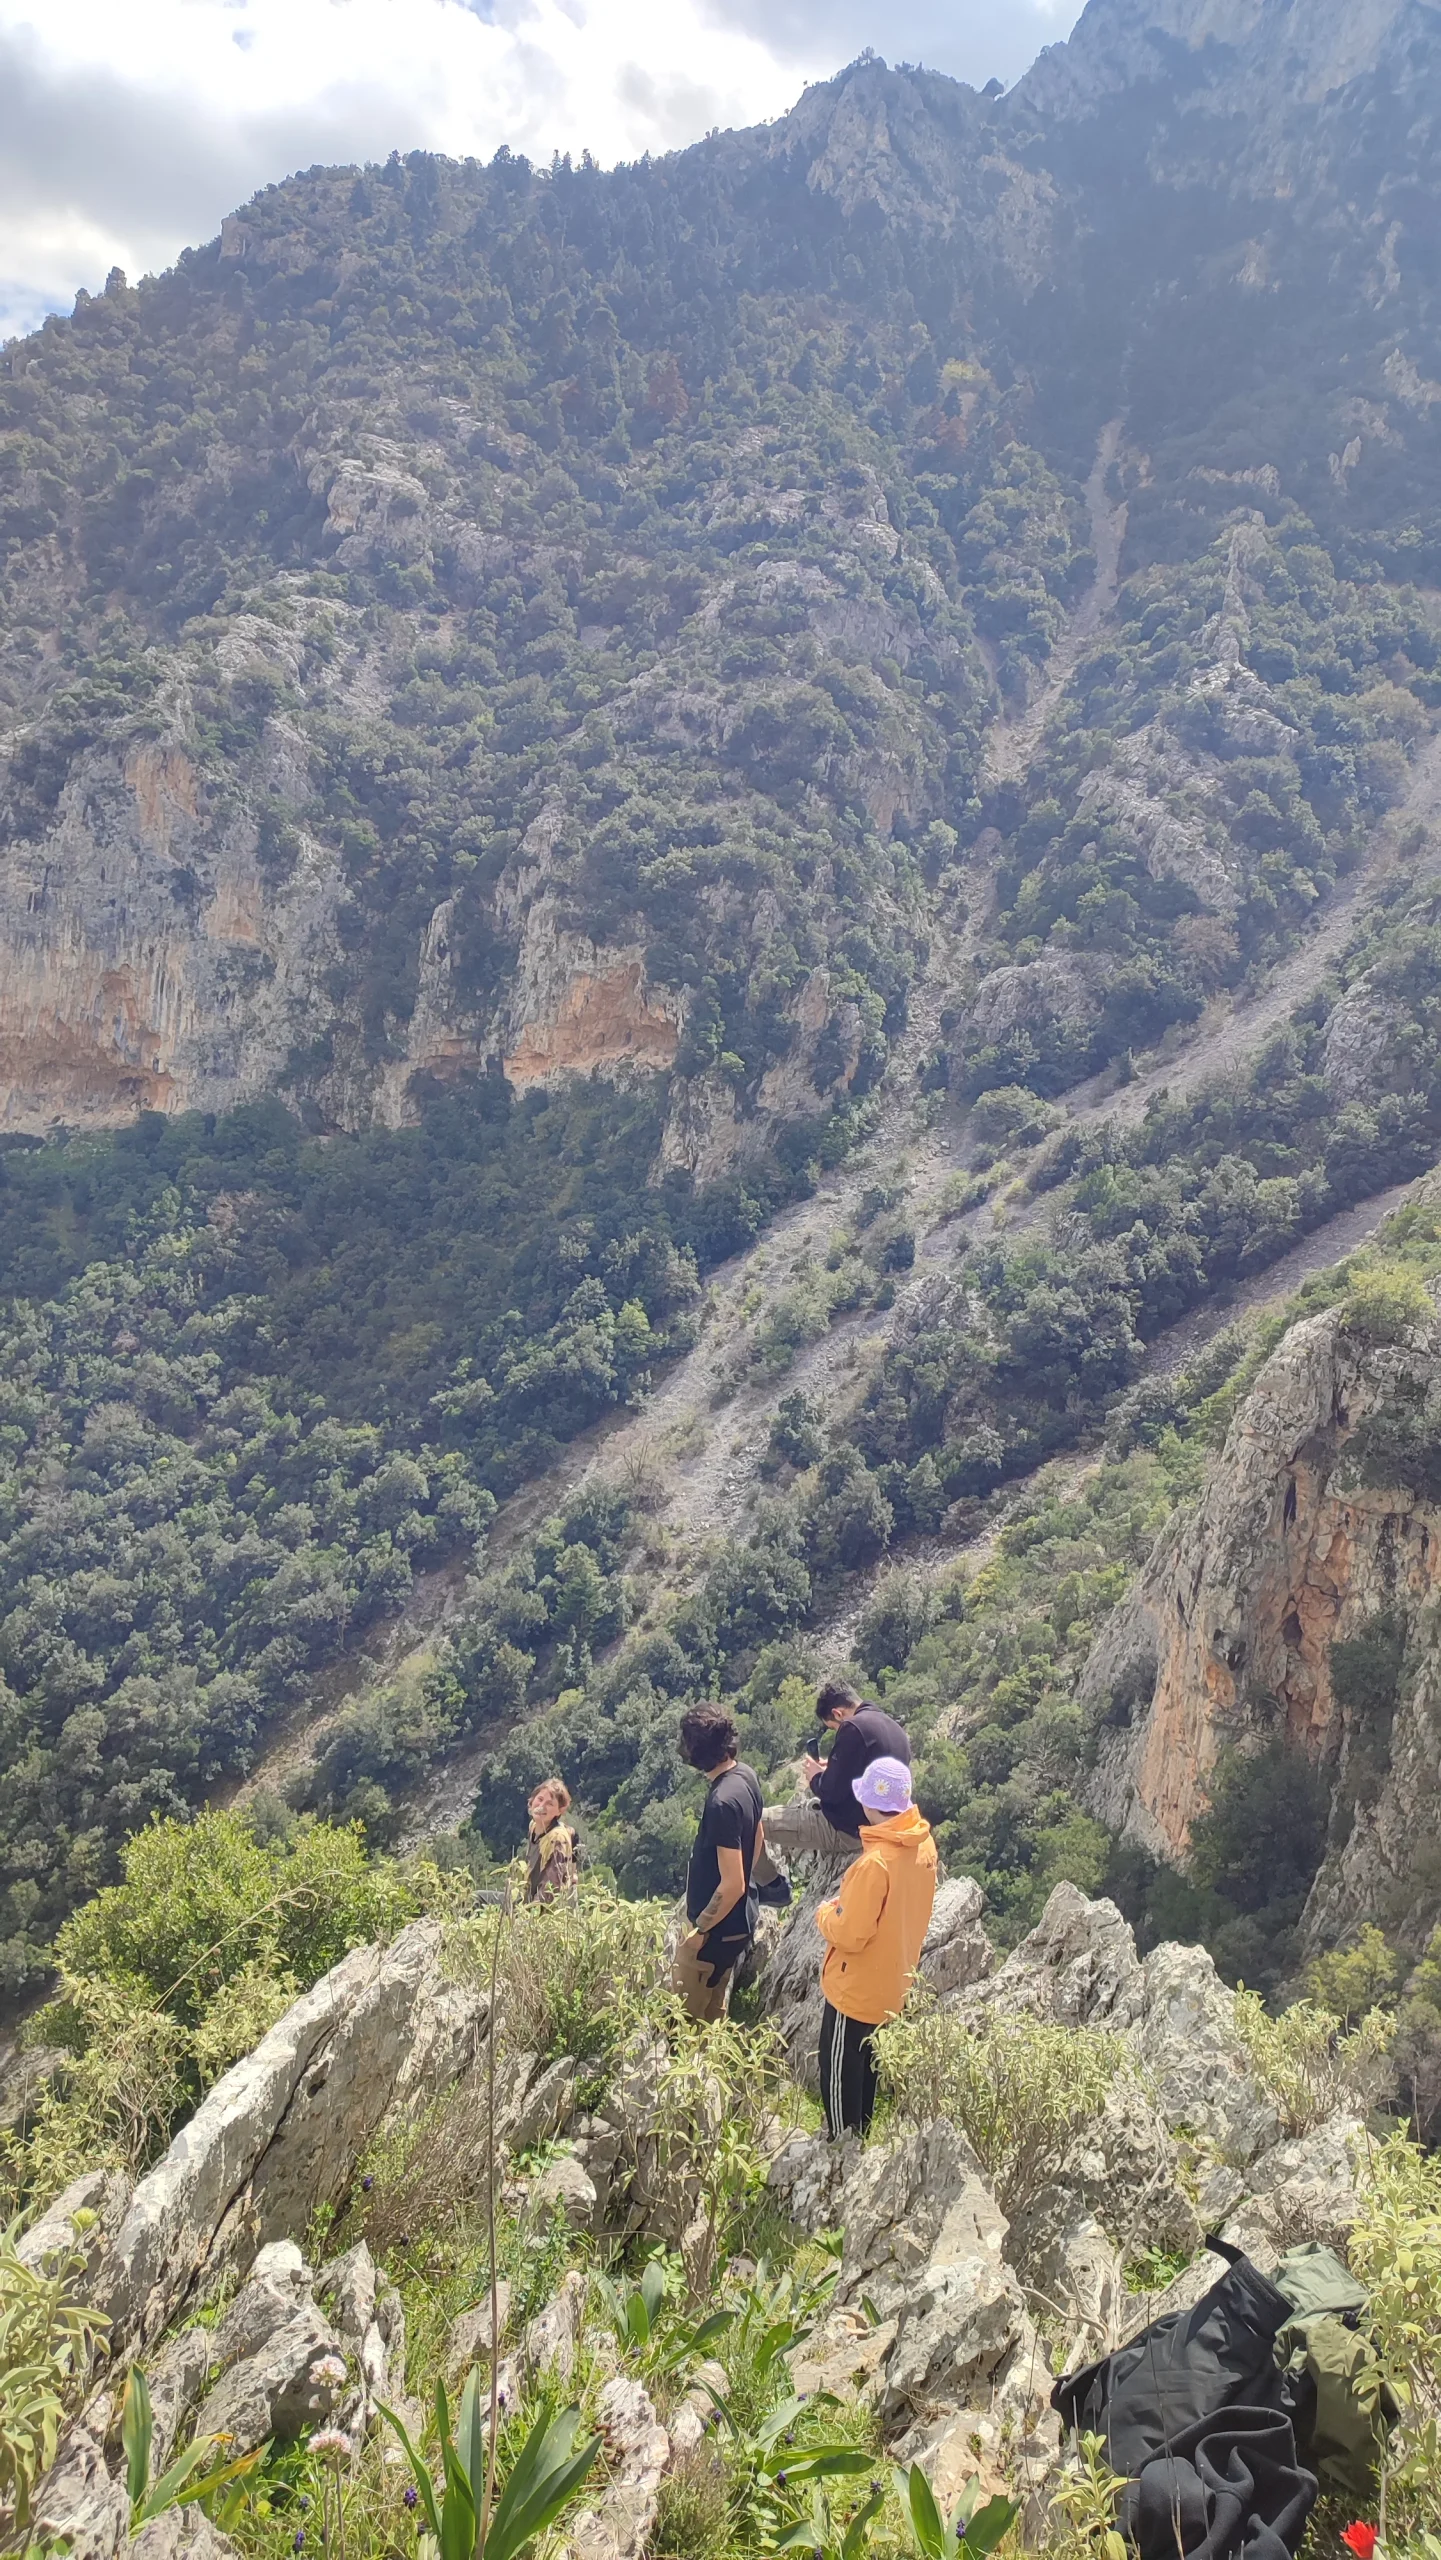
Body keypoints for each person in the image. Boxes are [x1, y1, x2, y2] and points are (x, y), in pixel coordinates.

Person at [815, 1755, 936, 2139]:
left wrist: (825, 1914)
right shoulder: (922, 1846)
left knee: (838, 2072)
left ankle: (838, 2150)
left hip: (855, 1989)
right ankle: (861, 2138)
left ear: (869, 1804)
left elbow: (850, 1932)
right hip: (892, 1984)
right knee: (866, 2068)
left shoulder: (876, 1863)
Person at [671, 1704, 763, 2022]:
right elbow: (758, 1833)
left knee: (685, 2020)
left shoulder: (722, 1802)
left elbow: (732, 1883)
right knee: (714, 2004)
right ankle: (712, 2060)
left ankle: (691, 2069)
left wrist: (699, 1930)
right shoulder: (745, 1775)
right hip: (738, 1922)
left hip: (715, 1932)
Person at [759, 1680, 911, 1869]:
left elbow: (831, 1792)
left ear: (838, 1713)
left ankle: (770, 1883)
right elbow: (864, 1772)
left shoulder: (853, 1728)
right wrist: (833, 1769)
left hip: (847, 1831)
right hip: (883, 1825)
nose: (836, 1731)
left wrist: (815, 1777)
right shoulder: (893, 1728)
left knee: (754, 1820)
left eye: (833, 1727)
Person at [524, 1777, 578, 1903]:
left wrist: (528, 1916)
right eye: (540, 1799)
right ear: (532, 1801)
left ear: (560, 1810)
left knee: (477, 1899)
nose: (542, 1806)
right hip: (525, 1897)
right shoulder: (534, 1826)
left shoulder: (557, 1839)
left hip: (539, 1908)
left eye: (550, 1804)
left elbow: (551, 1887)